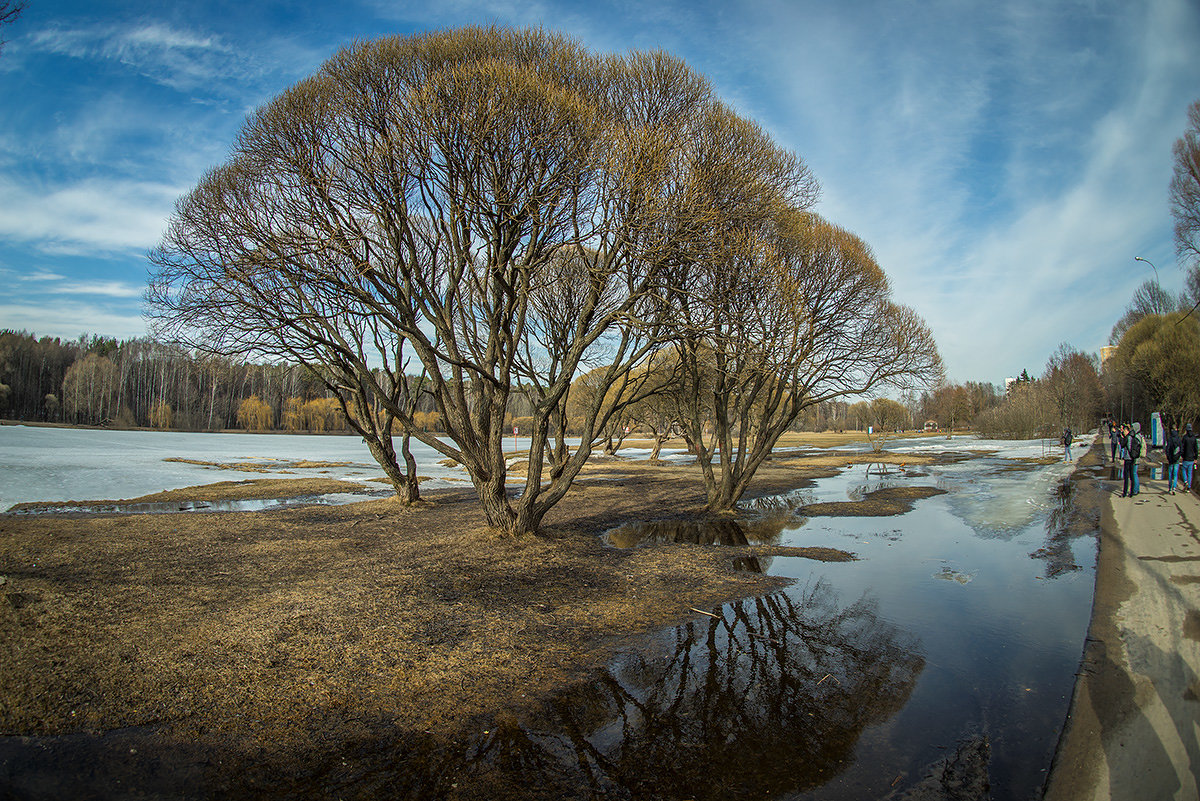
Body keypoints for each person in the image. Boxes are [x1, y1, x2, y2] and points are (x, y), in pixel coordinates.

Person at [1166, 423, 1182, 495]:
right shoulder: (1179, 438)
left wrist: (1168, 457)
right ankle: (1174, 488)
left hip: (1171, 459)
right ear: (1176, 429)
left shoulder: (1170, 438)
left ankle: (1169, 488)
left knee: (1170, 473)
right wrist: (1178, 456)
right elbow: (1181, 449)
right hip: (1176, 458)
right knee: (1175, 474)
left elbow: (1167, 448)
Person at [1182, 423, 1198, 493]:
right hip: (1191, 458)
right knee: (1190, 473)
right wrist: (1195, 458)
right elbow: (1196, 449)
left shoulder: (1185, 438)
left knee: (1183, 470)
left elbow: (1182, 448)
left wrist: (1182, 455)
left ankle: (1185, 481)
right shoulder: (1194, 438)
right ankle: (1188, 487)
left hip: (1185, 458)